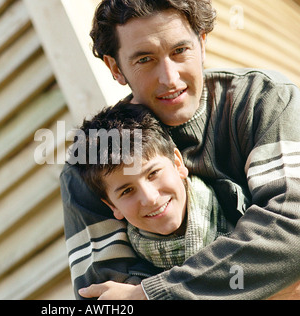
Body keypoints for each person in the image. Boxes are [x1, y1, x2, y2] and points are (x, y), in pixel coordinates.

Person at [61, 0, 300, 300]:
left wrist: (152, 293)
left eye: (179, 51)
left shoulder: (264, 101)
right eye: (145, 59)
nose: (170, 78)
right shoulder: (92, 164)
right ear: (115, 68)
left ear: (201, 43)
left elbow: (291, 228)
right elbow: (106, 299)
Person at [70, 101, 238, 274]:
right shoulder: (130, 276)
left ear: (178, 164)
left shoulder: (242, 208)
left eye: (153, 173)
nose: (150, 197)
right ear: (112, 206)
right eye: (127, 191)